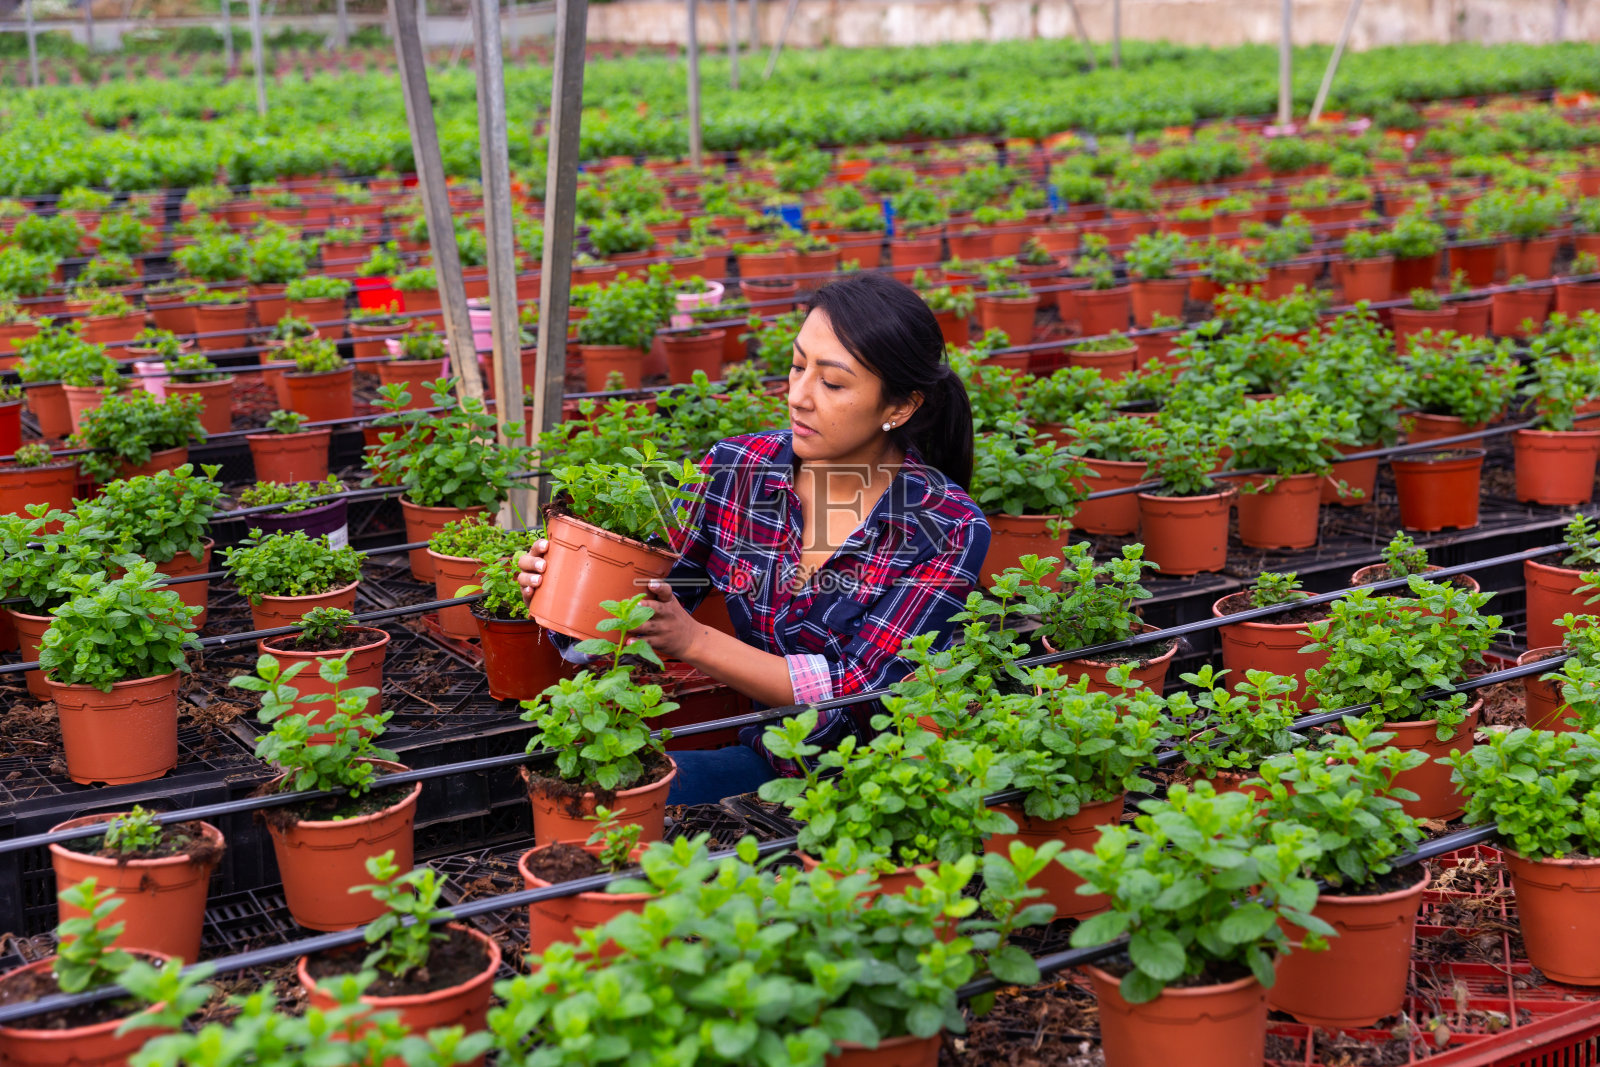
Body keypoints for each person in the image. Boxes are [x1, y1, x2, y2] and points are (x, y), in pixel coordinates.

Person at [518, 271, 990, 805]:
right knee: (596, 803)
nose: (799, 396)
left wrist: (693, 641)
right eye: (797, 366)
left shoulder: (945, 524)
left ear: (899, 407)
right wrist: (567, 595)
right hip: (774, 759)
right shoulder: (738, 469)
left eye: (833, 383)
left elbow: (864, 691)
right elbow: (645, 602)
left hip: (886, 788)